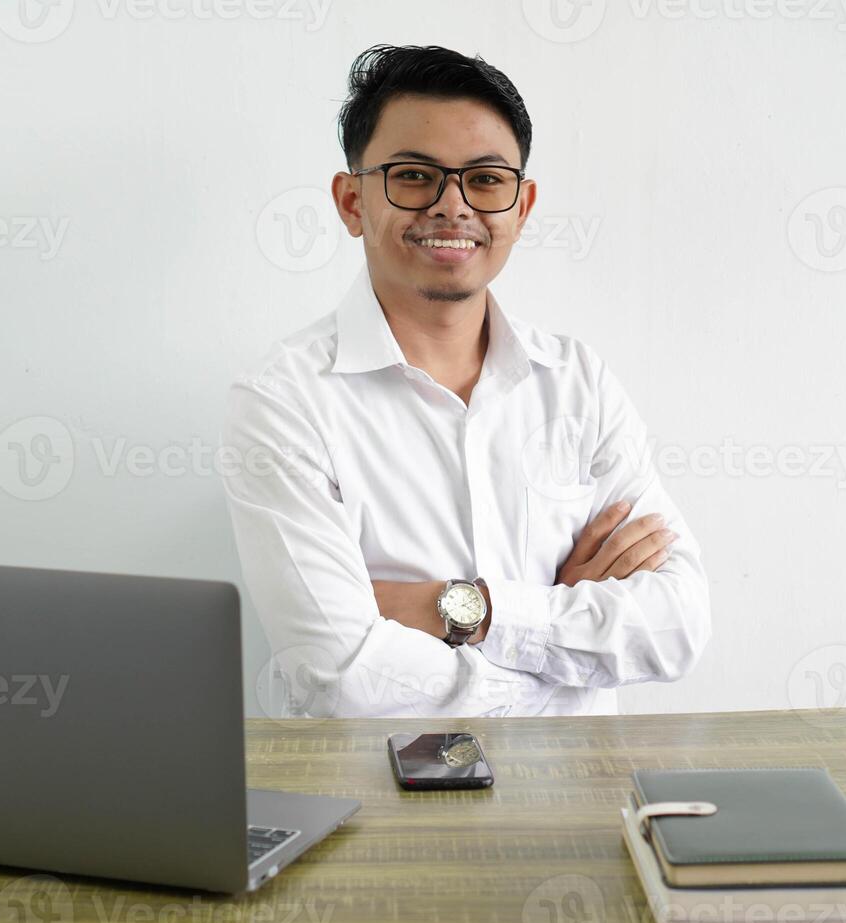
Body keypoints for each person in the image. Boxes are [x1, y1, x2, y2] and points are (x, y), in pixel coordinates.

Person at [223, 44, 711, 717]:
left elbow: (675, 626)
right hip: (381, 805)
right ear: (351, 200)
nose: (453, 206)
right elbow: (341, 678)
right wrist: (562, 651)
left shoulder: (579, 385)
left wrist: (468, 610)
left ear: (522, 204)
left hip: (573, 804)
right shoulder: (284, 403)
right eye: (415, 176)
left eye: (485, 180)